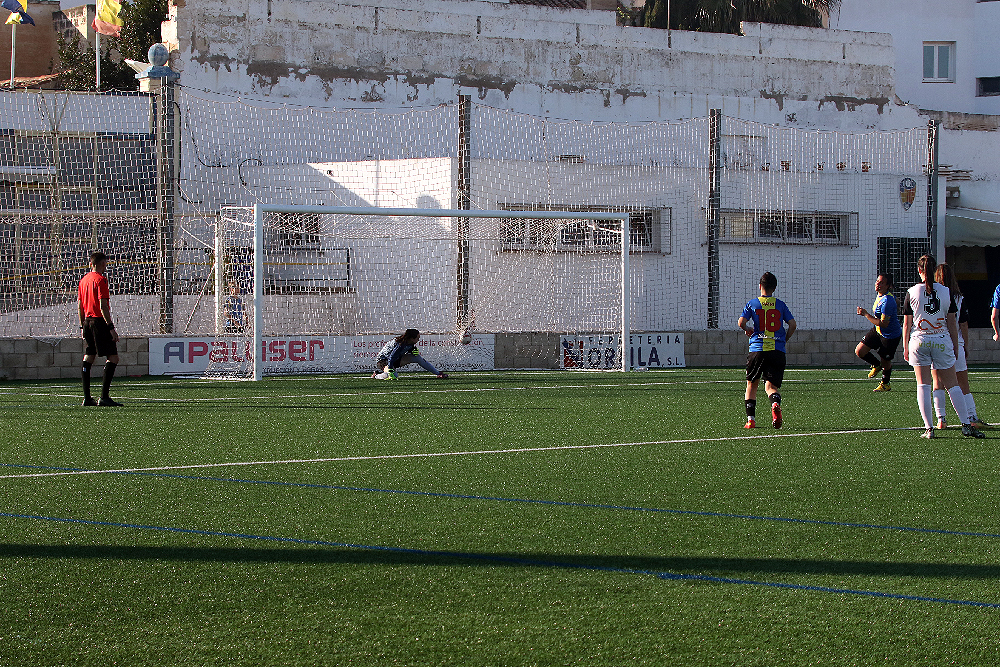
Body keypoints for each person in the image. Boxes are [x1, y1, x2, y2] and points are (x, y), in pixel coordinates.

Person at [902, 255, 982, 439]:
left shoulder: (912, 292)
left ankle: (929, 429)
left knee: (923, 384)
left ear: (919, 270)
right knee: (953, 385)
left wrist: (905, 346)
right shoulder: (946, 292)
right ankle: (965, 424)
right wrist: (955, 345)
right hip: (941, 340)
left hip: (919, 341)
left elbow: (907, 324)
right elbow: (952, 323)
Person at [932, 263, 988, 429]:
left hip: (937, 342)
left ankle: (941, 418)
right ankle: (972, 416)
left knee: (937, 382)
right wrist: (966, 346)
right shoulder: (958, 298)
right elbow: (963, 324)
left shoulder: (933, 297)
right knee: (963, 382)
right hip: (955, 343)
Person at [738, 272, 796, 429]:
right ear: (774, 288)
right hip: (777, 351)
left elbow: (741, 322)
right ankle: (775, 402)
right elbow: (792, 324)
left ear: (759, 286)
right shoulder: (780, 305)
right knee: (771, 387)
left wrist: (747, 328)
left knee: (752, 385)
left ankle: (751, 420)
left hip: (757, 349)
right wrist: (784, 340)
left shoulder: (752, 304)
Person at [78, 251, 122, 407]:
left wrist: (82, 325)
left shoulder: (83, 281)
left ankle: (87, 398)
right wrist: (111, 327)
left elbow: (80, 306)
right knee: (113, 358)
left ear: (91, 263)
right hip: (99, 322)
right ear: (103, 264)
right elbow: (103, 306)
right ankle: (104, 397)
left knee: (89, 356)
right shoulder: (101, 280)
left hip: (87, 322)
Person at [855, 273, 902, 392]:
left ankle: (885, 384)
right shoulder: (883, 296)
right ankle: (876, 365)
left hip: (890, 335)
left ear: (888, 286)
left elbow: (884, 324)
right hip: (878, 331)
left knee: (885, 360)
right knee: (860, 351)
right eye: (877, 281)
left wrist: (865, 314)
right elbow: (896, 300)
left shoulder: (887, 301)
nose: (878, 284)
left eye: (881, 282)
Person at [372, 329, 449, 379]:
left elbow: (408, 350)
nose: (418, 340)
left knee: (417, 357)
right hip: (383, 361)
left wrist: (413, 350)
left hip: (395, 360)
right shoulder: (400, 344)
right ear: (412, 338)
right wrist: (391, 369)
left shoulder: (409, 343)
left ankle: (438, 373)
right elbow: (392, 356)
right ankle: (376, 375)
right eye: (417, 338)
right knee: (392, 376)